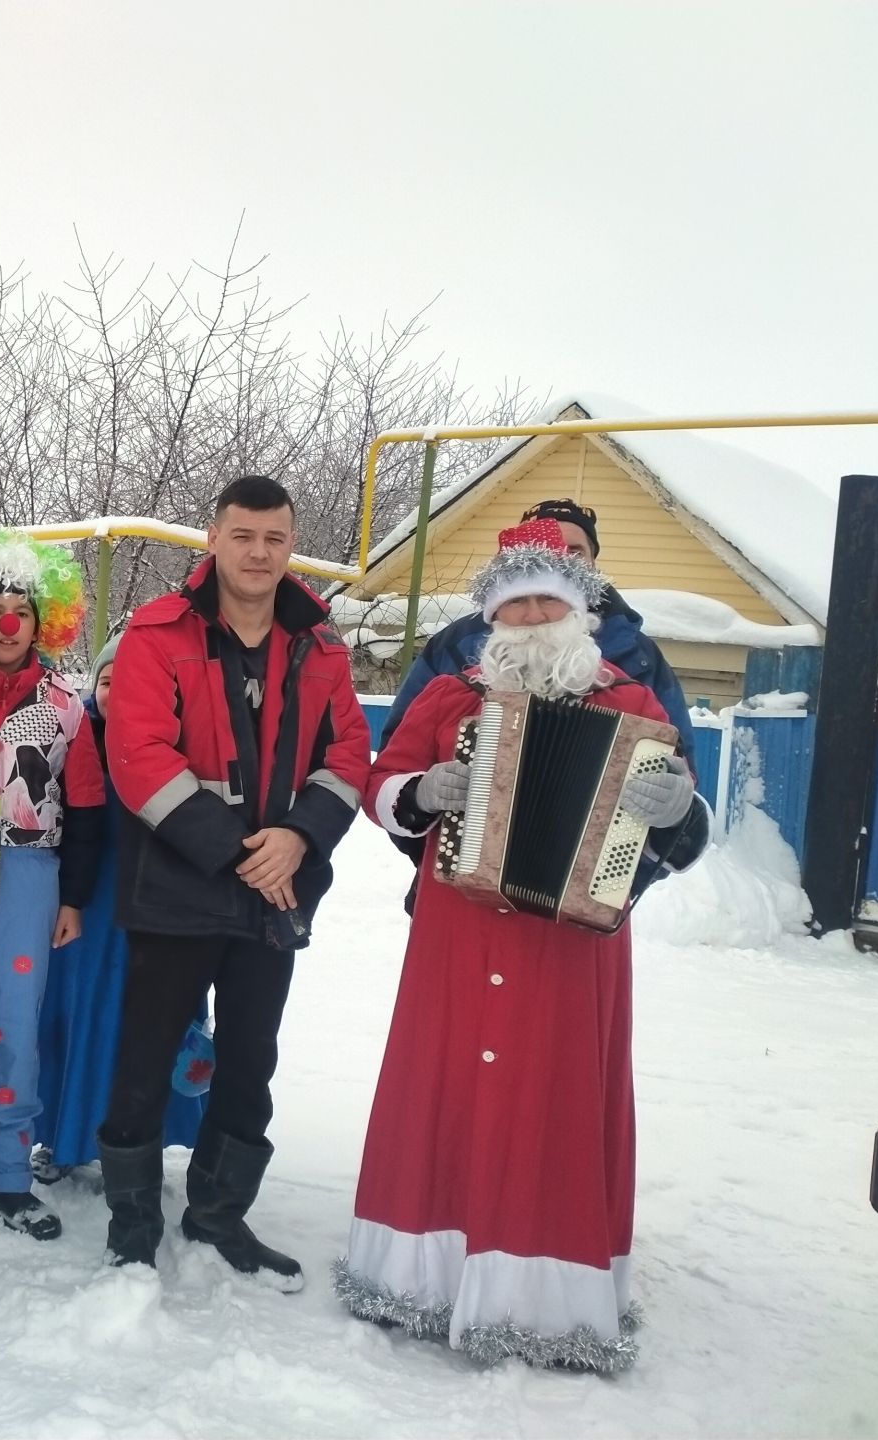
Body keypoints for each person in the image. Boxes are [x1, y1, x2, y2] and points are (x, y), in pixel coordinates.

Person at [334, 520, 709, 1373]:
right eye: (516, 602)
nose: (533, 613)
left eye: (550, 599)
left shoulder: (634, 704)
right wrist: (421, 792)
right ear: (493, 618)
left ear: (578, 610)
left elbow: (688, 824)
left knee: (558, 1094)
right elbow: (381, 786)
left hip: (570, 949)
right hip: (457, 937)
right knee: (445, 1084)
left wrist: (676, 808)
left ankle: (546, 1299)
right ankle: (421, 1275)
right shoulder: (447, 698)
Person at [99, 475, 370, 1286]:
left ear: (291, 546)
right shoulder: (156, 632)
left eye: (274, 539)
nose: (258, 553)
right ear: (212, 538)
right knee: (145, 1060)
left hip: (276, 894)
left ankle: (220, 1215)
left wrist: (298, 836)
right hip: (180, 885)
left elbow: (349, 755)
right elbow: (138, 755)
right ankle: (133, 1225)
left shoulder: (322, 645)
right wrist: (240, 850)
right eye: (243, 536)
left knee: (251, 1061)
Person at [0, 531, 105, 1240]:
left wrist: (73, 898)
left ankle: (4, 1173)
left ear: (43, 622)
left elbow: (87, 802)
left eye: (22, 611)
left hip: (30, 871)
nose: (8, 622)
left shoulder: (67, 702)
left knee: (14, 1020)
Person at [32, 633, 206, 1182]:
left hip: (159, 907)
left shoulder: (179, 744)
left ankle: (141, 1138)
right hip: (85, 906)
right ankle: (63, 1138)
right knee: (74, 1019)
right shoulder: (71, 737)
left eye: (131, 683)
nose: (117, 693)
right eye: (108, 681)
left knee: (148, 1022)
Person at [382, 497, 695, 767]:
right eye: (542, 548)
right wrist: (422, 804)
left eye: (573, 552)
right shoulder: (453, 646)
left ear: (592, 562)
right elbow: (400, 754)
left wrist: (674, 811)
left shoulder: (638, 656)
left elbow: (676, 759)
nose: (556, 558)